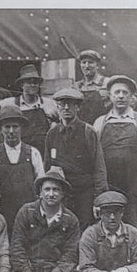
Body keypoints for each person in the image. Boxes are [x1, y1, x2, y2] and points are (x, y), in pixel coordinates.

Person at [92, 74, 137, 233]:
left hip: (136, 186)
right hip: (109, 185)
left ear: (131, 96)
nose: (121, 96)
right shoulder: (100, 122)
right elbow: (93, 160)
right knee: (109, 226)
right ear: (110, 96)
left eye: (125, 92)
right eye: (117, 92)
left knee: (135, 226)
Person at [46, 87, 111, 225]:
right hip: (61, 196)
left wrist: (99, 199)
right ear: (57, 107)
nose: (66, 108)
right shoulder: (52, 134)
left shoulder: (88, 132)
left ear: (78, 107)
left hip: (84, 196)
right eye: (62, 104)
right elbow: (48, 168)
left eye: (71, 104)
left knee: (83, 230)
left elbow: (99, 168)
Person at [0, 104, 45, 230]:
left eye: (15, 127)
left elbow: (41, 184)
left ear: (21, 128)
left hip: (28, 213)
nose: (11, 131)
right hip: (3, 212)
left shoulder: (32, 153)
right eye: (7, 127)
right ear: (0, 129)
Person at [0, 64, 58, 152]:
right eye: (29, 82)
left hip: (43, 151)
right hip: (18, 151)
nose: (33, 85)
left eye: (35, 82)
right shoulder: (8, 103)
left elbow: (57, 128)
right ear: (22, 85)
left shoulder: (49, 103)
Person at [72, 49, 112, 123]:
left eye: (90, 62)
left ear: (97, 65)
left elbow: (131, 101)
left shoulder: (108, 83)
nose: (86, 66)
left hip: (102, 125)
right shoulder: (76, 86)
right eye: (84, 63)